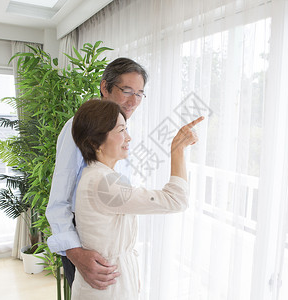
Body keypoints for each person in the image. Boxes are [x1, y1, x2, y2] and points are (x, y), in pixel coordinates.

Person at [70, 99, 203, 299]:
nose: (129, 138)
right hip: (107, 288)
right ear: (94, 142)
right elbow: (176, 200)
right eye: (121, 131)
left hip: (111, 282)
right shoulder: (103, 183)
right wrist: (177, 150)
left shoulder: (98, 176)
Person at [46, 58, 148, 289]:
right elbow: (59, 201)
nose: (133, 101)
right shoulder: (79, 129)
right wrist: (75, 254)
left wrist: (130, 264)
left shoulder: (123, 133)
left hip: (115, 248)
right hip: (85, 245)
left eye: (140, 93)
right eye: (127, 91)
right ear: (104, 87)